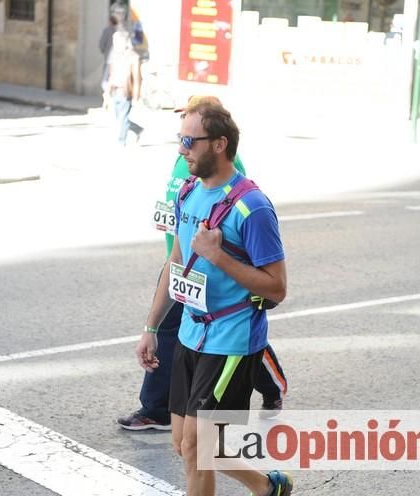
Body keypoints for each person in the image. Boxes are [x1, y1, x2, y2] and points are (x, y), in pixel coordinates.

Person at [134, 100, 293, 495]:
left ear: (220, 144)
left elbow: (276, 287)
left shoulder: (251, 207)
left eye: (190, 140)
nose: (181, 149)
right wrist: (151, 327)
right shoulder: (188, 193)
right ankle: (266, 487)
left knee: (196, 446)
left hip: (231, 338)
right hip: (189, 333)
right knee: (183, 444)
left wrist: (218, 255)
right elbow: (175, 262)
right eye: (180, 139)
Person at [106, 30, 143, 146]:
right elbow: (111, 75)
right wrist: (107, 92)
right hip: (115, 90)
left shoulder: (133, 57)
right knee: (120, 117)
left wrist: (136, 97)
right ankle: (137, 129)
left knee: (123, 118)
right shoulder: (114, 55)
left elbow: (137, 78)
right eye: (114, 41)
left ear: (124, 42)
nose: (115, 44)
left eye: (117, 41)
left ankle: (121, 141)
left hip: (125, 91)